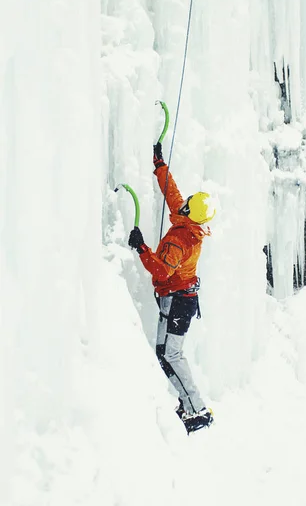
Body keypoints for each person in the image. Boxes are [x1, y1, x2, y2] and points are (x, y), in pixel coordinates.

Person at [128, 142, 215, 429]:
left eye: (188, 201)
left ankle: (197, 410)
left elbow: (162, 271)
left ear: (191, 211)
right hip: (181, 298)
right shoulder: (191, 223)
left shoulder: (181, 240)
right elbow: (173, 193)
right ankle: (188, 403)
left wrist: (141, 248)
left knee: (170, 354)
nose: (184, 200)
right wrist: (159, 165)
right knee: (165, 353)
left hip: (179, 300)